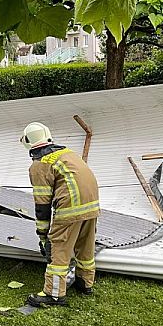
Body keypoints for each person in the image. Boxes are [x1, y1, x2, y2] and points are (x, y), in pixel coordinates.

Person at [21, 122, 100, 308]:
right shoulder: (67, 153)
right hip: (92, 206)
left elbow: (42, 205)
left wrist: (43, 236)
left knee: (58, 250)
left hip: (70, 208)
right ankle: (85, 282)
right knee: (85, 245)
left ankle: (54, 294)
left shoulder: (40, 165)